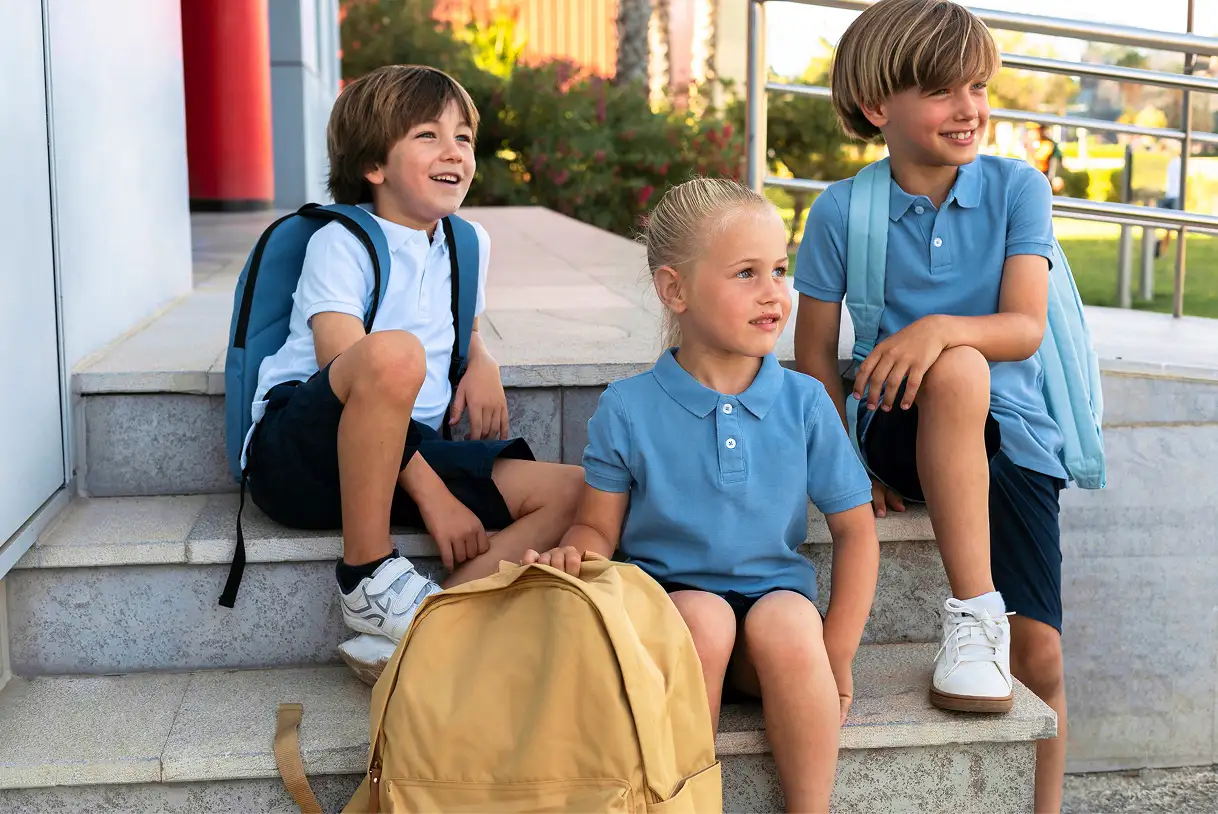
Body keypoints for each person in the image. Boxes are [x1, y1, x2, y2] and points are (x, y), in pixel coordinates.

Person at [793, 2, 1072, 810]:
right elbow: (814, 356)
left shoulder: (1019, 188)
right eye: (944, 91)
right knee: (953, 374)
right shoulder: (842, 211)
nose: (970, 107)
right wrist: (842, 467)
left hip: (1010, 437)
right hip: (893, 427)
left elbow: (1022, 328)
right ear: (880, 107)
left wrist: (944, 328)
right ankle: (971, 613)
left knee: (1045, 658)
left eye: (978, 86)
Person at [525, 178, 880, 812]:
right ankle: (677, 801)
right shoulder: (628, 408)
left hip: (774, 619)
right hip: (671, 625)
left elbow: (855, 530)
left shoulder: (804, 403)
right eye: (746, 273)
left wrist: (840, 653)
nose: (774, 291)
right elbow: (598, 530)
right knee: (706, 618)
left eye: (779, 269)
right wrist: (573, 551)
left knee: (791, 621)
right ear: (675, 290)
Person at [243, 65, 584, 676]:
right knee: (396, 353)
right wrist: (436, 499)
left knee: (578, 491)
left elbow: (463, 325)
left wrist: (481, 361)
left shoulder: (468, 242)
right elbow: (348, 370)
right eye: (428, 135)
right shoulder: (340, 241)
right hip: (304, 449)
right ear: (374, 165)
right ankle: (368, 577)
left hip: (406, 451)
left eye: (464, 137)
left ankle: (434, 625)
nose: (454, 151)